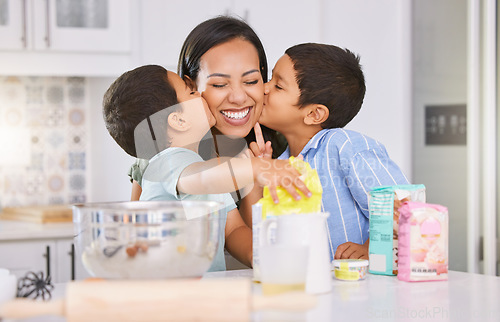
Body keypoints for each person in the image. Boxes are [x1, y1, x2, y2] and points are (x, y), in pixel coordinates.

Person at [103, 65, 309, 271]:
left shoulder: (205, 169)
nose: (200, 93)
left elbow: (233, 231)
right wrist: (256, 167)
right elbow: (201, 179)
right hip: (168, 292)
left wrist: (260, 255)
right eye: (191, 92)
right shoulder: (164, 164)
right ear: (179, 120)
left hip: (203, 291)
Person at [258, 43, 409, 260]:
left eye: (278, 86)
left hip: (361, 287)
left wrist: (371, 247)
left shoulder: (344, 146)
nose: (264, 87)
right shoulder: (280, 162)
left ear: (314, 114)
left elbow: (403, 206)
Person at [128, 16, 285, 219]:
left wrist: (254, 182)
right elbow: (133, 236)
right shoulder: (160, 154)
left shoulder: (282, 148)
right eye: (220, 84)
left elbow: (255, 246)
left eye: (251, 80)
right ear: (190, 86)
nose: (238, 98)